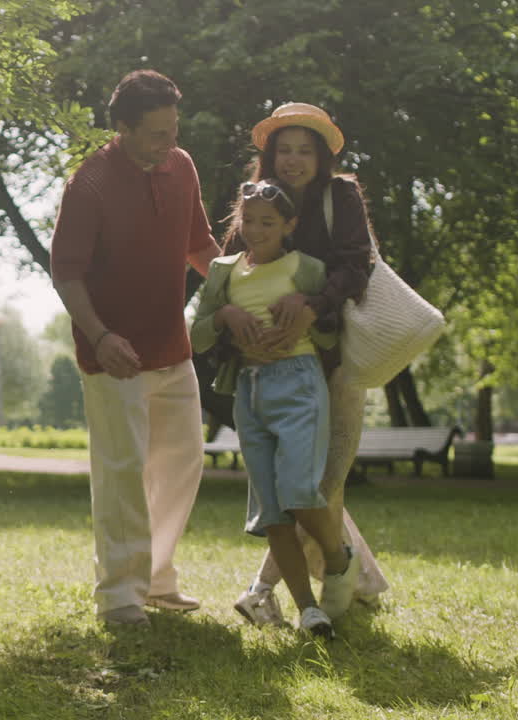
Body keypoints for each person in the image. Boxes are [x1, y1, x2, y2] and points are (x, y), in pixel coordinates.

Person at [49, 69, 221, 626]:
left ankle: (156, 578)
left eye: (173, 129)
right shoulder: (90, 183)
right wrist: (100, 335)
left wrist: (233, 292)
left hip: (172, 346)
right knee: (122, 469)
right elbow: (66, 273)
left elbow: (200, 244)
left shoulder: (182, 165)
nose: (167, 142)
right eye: (155, 133)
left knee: (182, 463)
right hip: (113, 354)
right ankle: (120, 596)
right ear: (122, 128)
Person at [225, 102, 391, 627]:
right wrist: (230, 315)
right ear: (270, 154)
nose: (293, 160)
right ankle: (340, 581)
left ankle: (268, 589)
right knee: (294, 483)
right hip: (267, 369)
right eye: (284, 149)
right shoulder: (254, 204)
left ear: (320, 156)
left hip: (334, 360)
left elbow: (355, 265)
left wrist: (311, 303)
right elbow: (227, 270)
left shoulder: (339, 195)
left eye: (304, 150)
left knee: (323, 480)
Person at [189, 179, 356, 635]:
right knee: (273, 513)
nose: (257, 229)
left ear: (290, 225)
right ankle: (308, 609)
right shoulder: (224, 270)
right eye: (249, 220)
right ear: (238, 221)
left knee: (299, 489)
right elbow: (196, 335)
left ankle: (340, 559)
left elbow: (332, 330)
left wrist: (304, 310)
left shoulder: (306, 267)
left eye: (268, 222)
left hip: (300, 383)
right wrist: (225, 316)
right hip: (250, 389)